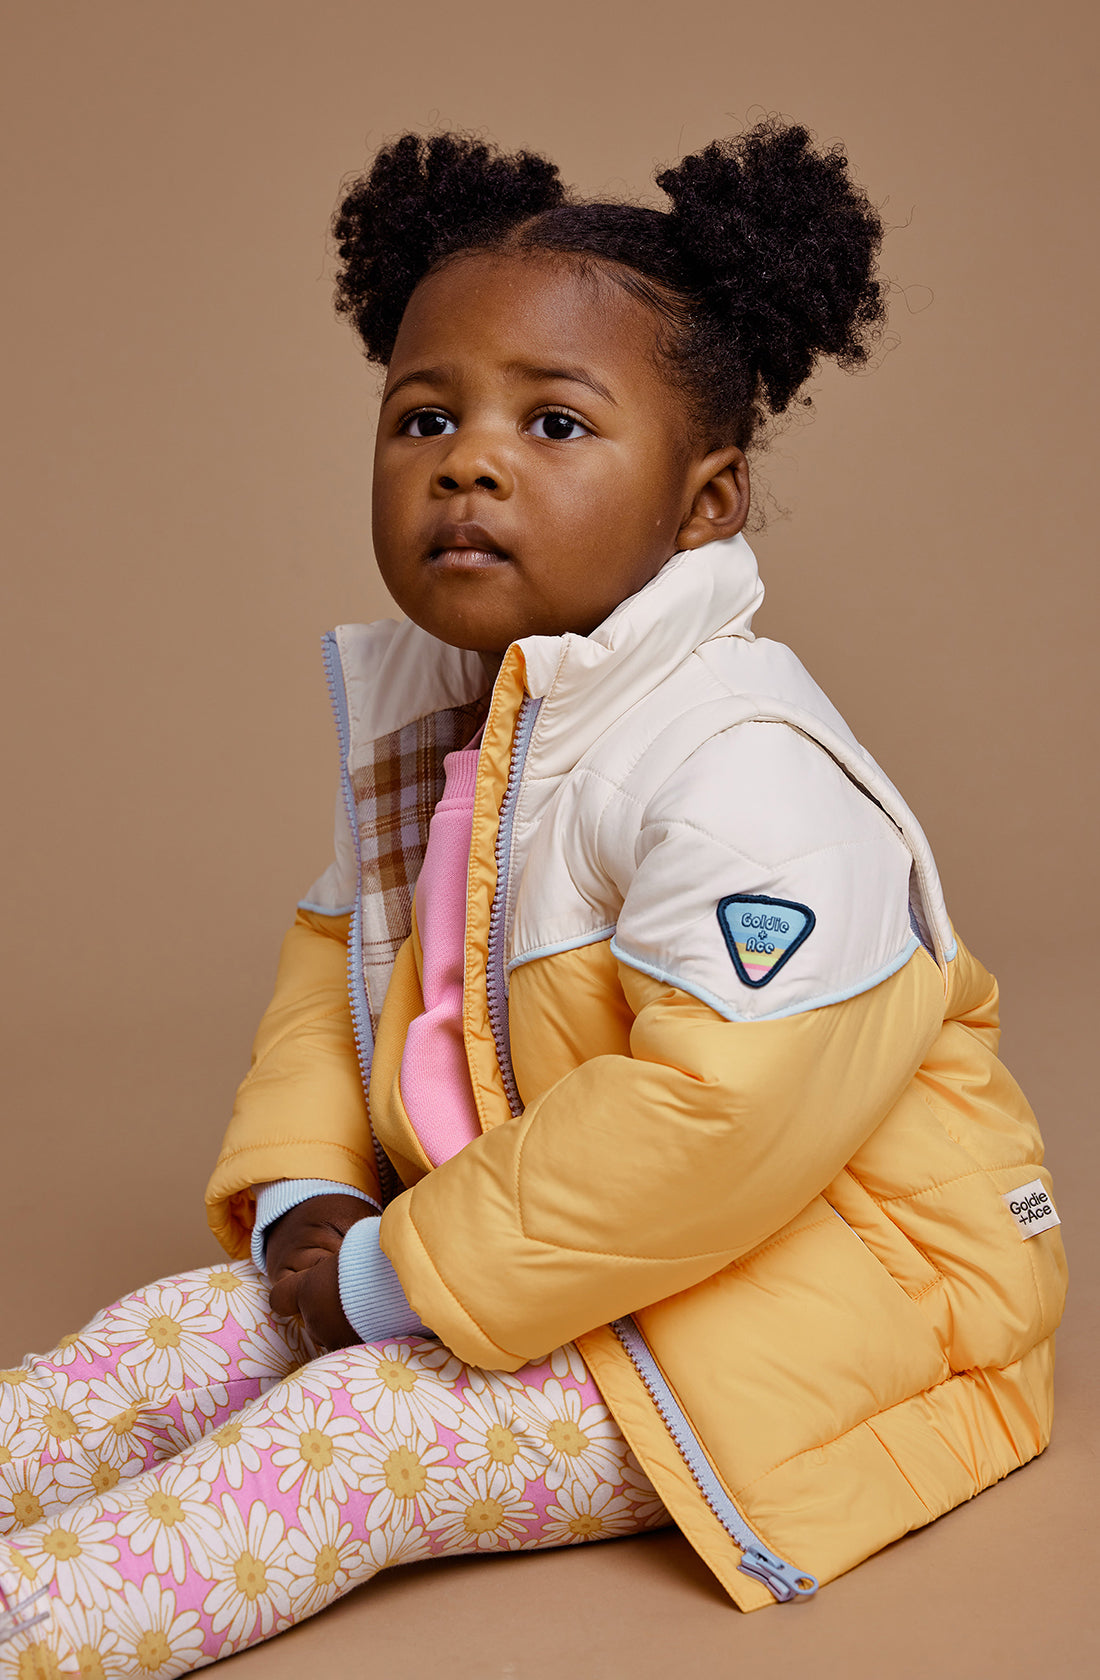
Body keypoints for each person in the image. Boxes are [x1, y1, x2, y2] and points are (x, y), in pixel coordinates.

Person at [0, 121, 1066, 1673]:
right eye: (425, 416)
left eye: (556, 424)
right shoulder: (467, 719)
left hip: (800, 1303)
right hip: (532, 1249)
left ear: (707, 504)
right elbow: (339, 968)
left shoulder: (747, 764)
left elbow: (714, 1119)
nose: (471, 459)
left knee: (344, 1441)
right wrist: (311, 1195)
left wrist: (389, 1278)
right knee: (158, 1343)